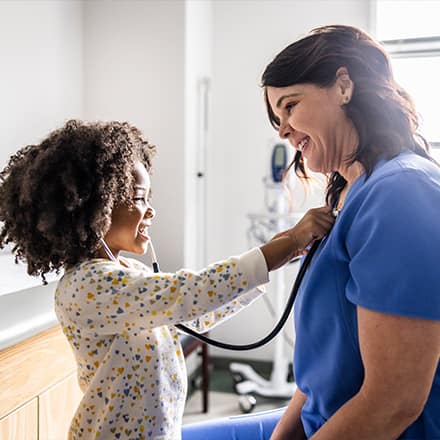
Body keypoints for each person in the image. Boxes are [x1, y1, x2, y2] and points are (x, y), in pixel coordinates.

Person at [0, 119, 334, 440]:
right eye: (139, 198)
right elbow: (191, 293)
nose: (151, 211)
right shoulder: (87, 287)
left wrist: (276, 258)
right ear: (95, 206)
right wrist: (284, 246)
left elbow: (195, 314)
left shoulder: (129, 272)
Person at [182, 24, 440, 440]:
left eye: (290, 106)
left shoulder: (401, 193)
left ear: (343, 86)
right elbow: (323, 372)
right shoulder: (355, 193)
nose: (281, 129)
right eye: (276, 116)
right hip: (320, 415)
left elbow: (394, 402)